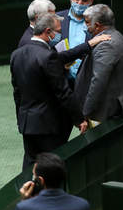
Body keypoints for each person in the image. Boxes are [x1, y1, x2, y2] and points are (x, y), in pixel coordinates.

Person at [10, 13, 87, 172]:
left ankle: (28, 188)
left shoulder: (16, 55)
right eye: (58, 31)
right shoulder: (48, 56)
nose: (59, 35)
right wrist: (79, 119)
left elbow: (17, 93)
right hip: (48, 124)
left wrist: (21, 119)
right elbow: (63, 92)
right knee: (52, 167)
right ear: (47, 31)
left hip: (27, 124)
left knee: (30, 164)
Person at [75, 4, 123, 125]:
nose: (85, 25)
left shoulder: (106, 45)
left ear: (97, 25)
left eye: (87, 22)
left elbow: (98, 82)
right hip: (113, 106)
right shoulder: (117, 36)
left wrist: (85, 113)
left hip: (103, 112)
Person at [57, 0, 95, 83]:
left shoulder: (97, 23)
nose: (79, 3)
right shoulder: (56, 19)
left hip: (87, 82)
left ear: (92, 0)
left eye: (84, 0)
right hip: (62, 82)